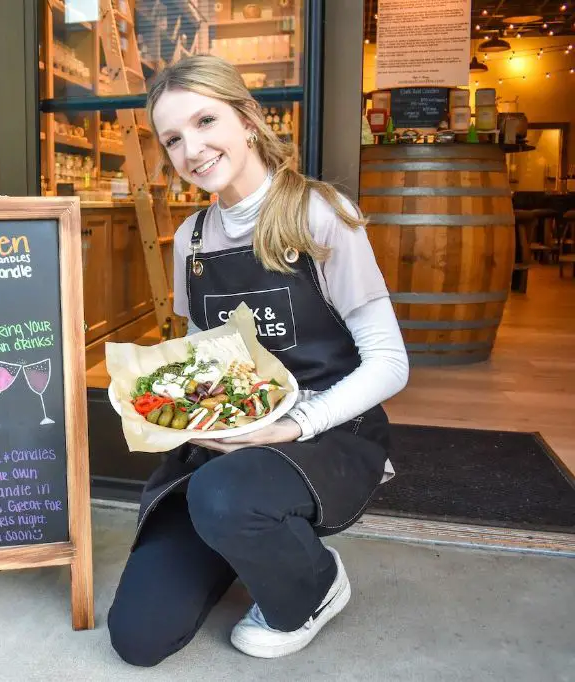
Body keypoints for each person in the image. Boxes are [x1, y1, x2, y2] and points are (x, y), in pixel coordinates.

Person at [107, 55, 409, 666]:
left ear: (247, 119)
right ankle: (242, 537)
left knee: (225, 497)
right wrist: (174, 408)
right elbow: (202, 357)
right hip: (232, 444)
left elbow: (390, 364)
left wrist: (292, 425)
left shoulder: (320, 214)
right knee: (139, 636)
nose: (191, 148)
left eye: (205, 121)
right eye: (172, 138)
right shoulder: (191, 239)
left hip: (325, 432)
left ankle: (316, 587)